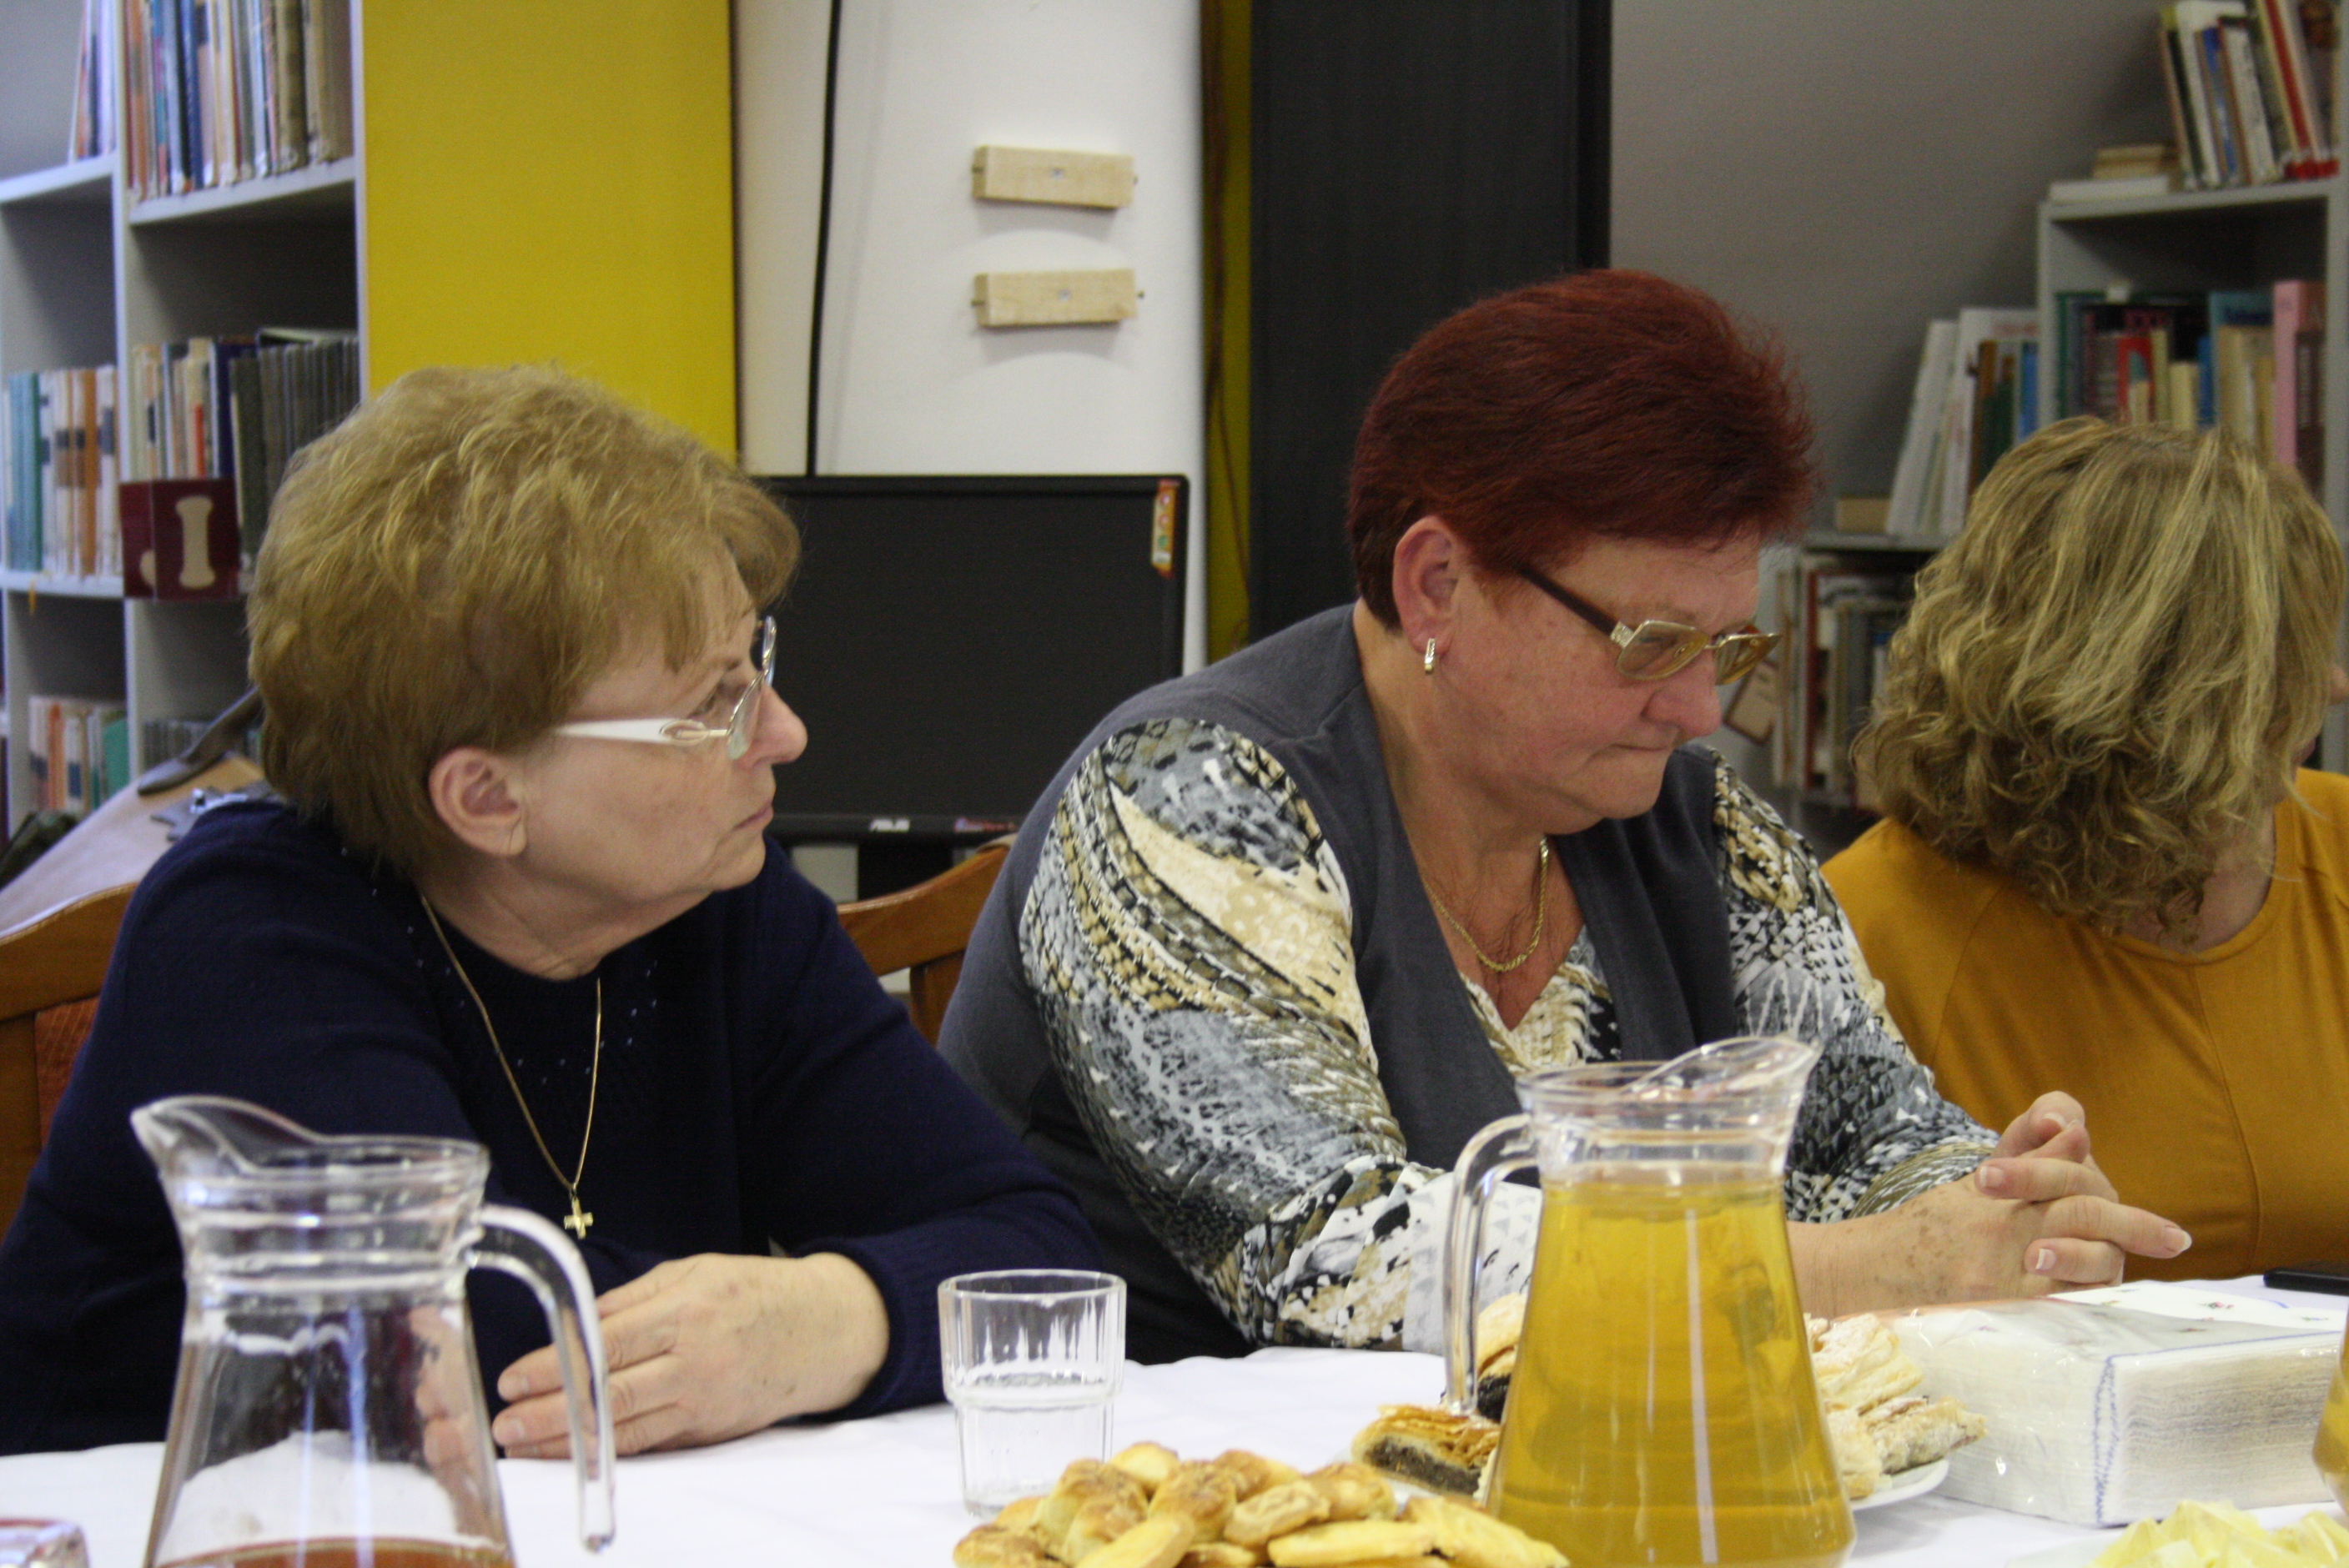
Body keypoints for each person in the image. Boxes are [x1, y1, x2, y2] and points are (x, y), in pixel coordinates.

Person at [941, 271, 2188, 1364]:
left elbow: (1877, 1136)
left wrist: (2003, 1204)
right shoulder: (1190, 793)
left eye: (1727, 647)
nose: (1698, 708)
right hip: (1163, 1493)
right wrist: (1868, 1267)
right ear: (1437, 582)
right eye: (1648, 643)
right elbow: (1337, 1257)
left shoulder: (1691, 824)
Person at [0, 365, 1097, 1456]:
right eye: (713, 703)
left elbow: (1045, 1260)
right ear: (487, 797)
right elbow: (472, 1349)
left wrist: (826, 1317)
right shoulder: (250, 933)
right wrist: (817, 1309)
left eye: (755, 659)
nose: (784, 732)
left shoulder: (718, 902)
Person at [1826, 415, 2349, 1282]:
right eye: (2283, 662)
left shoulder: (2334, 844)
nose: (2332, 686)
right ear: (2160, 702)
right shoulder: (1864, 932)